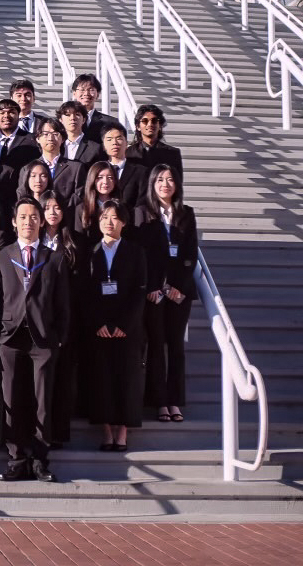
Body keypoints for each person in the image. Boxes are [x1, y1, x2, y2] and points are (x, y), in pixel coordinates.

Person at [0, 197, 70, 483]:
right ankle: (16, 458)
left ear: (41, 220)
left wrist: (58, 338)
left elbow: (63, 305)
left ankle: (39, 459)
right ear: (14, 222)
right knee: (12, 399)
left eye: (33, 216)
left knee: (42, 402)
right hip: (10, 339)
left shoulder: (55, 259)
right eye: (22, 217)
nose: (28, 222)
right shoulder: (2, 257)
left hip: (43, 340)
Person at [135, 165, 197, 423]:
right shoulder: (143, 213)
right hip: (154, 292)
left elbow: (189, 254)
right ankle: (159, 402)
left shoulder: (186, 214)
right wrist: (155, 286)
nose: (165, 184)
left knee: (176, 347)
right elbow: (142, 254)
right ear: (152, 184)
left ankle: (175, 401)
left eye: (170, 179)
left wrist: (177, 287)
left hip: (179, 293)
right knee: (157, 346)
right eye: (160, 179)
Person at [85, 200, 147, 452]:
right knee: (102, 379)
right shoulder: (90, 251)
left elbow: (140, 289)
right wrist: (98, 322)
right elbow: (86, 291)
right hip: (100, 326)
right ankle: (107, 431)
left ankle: (122, 432)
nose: (108, 222)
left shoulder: (135, 251)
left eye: (114, 218)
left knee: (127, 379)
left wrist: (124, 323)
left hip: (127, 327)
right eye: (104, 217)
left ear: (123, 222)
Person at [39, 190, 85, 446]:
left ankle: (59, 431)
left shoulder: (74, 241)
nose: (53, 213)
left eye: (57, 208)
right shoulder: (34, 241)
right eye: (48, 208)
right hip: (38, 319)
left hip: (66, 318)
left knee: (63, 377)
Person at [18, 117, 85, 206]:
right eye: (45, 134)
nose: (50, 138)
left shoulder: (75, 168)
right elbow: (22, 196)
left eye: (55, 134)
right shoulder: (27, 169)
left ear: (63, 139)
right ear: (38, 138)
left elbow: (79, 198)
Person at [126, 104, 184, 181]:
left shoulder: (172, 154)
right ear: (138, 126)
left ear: (160, 125)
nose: (150, 124)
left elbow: (177, 185)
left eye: (154, 121)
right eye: (145, 121)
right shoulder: (128, 153)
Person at [101, 123, 149, 209]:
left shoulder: (140, 172)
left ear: (126, 143)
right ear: (103, 146)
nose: (114, 143)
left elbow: (142, 203)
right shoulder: (97, 170)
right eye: (109, 139)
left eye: (119, 138)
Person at [74, 162, 122, 244]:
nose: (105, 182)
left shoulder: (121, 206)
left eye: (110, 177)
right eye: (100, 178)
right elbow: (79, 241)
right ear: (92, 180)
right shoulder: (82, 208)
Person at [71, 73, 120, 143]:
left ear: (97, 94)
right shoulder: (65, 120)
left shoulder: (111, 122)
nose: (86, 94)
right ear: (74, 93)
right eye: (82, 90)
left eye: (91, 90)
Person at [0, 98, 39, 171]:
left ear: (18, 116)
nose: (6, 116)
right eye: (2, 113)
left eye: (11, 112)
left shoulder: (32, 140)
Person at [57, 100, 103, 168]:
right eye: (68, 115)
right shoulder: (56, 144)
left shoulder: (95, 148)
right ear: (61, 120)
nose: (72, 118)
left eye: (77, 114)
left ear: (84, 120)